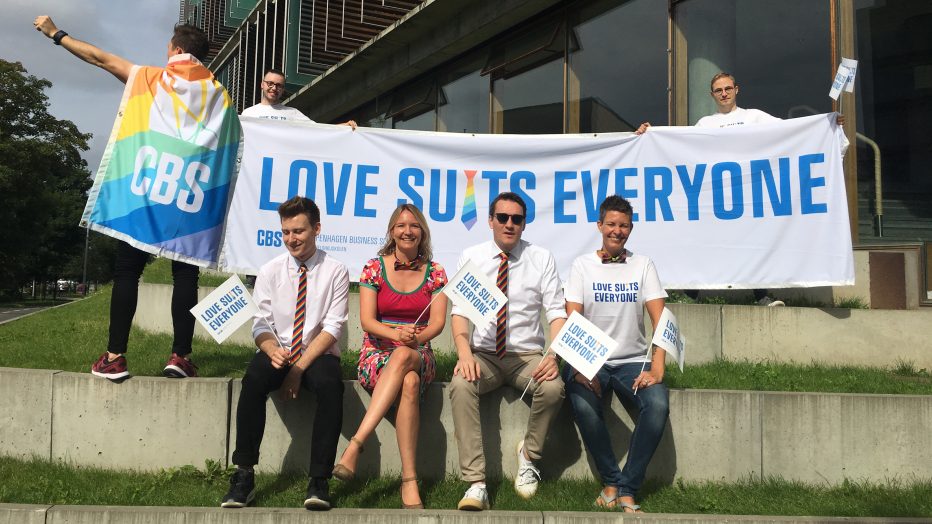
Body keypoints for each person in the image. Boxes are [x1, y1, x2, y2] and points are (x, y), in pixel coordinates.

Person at [33, 16, 226, 380]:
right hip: (189, 195)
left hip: (146, 191)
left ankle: (114, 356)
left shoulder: (151, 78)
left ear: (177, 50)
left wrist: (56, 34)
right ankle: (180, 356)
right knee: (185, 273)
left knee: (127, 271)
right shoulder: (219, 96)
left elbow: (100, 59)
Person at [636, 72, 847, 306]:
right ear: (712, 95)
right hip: (715, 198)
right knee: (706, 241)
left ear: (737, 89)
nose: (724, 94)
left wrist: (826, 125)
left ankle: (761, 295)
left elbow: (790, 132)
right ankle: (690, 294)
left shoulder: (754, 117)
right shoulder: (705, 124)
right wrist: (651, 134)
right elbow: (683, 147)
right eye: (718, 90)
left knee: (754, 242)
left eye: (728, 88)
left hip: (750, 196)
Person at [222, 196, 349, 511]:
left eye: (299, 231)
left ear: (316, 229)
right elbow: (260, 324)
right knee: (253, 379)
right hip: (279, 348)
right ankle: (244, 474)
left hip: (317, 352)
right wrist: (271, 349)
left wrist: (297, 370)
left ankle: (319, 480)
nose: (291, 239)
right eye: (286, 232)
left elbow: (332, 328)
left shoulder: (336, 271)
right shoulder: (269, 271)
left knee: (331, 385)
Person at [448, 192, 567, 511]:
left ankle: (529, 455)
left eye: (517, 219)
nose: (509, 224)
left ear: (524, 224)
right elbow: (459, 313)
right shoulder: (472, 256)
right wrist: (464, 353)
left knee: (554, 387)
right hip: (484, 355)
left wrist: (553, 356)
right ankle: (476, 484)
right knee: (460, 384)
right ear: (491, 221)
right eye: (502, 217)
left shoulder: (541, 258)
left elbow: (557, 312)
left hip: (526, 358)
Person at [332, 204, 448, 509]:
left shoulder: (436, 272)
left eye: (414, 225)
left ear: (423, 232)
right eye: (401, 226)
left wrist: (415, 338)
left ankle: (356, 444)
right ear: (391, 232)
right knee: (409, 382)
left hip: (420, 352)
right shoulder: (373, 267)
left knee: (406, 357)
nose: (407, 231)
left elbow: (437, 323)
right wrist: (397, 335)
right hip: (377, 353)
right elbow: (367, 321)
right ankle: (410, 480)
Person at [562, 195, 669, 513]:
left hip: (633, 360)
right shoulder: (581, 265)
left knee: (658, 406)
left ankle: (627, 488)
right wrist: (581, 367)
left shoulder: (643, 264)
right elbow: (573, 320)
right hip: (590, 358)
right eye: (611, 224)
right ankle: (611, 481)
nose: (617, 231)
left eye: (624, 225)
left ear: (630, 229)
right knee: (582, 404)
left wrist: (658, 366)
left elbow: (660, 319)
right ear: (599, 226)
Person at [241, 67, 356, 127]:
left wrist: (343, 126)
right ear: (262, 84)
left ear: (283, 89)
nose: (274, 88)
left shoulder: (292, 113)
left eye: (279, 85)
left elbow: (317, 130)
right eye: (270, 83)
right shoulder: (248, 113)